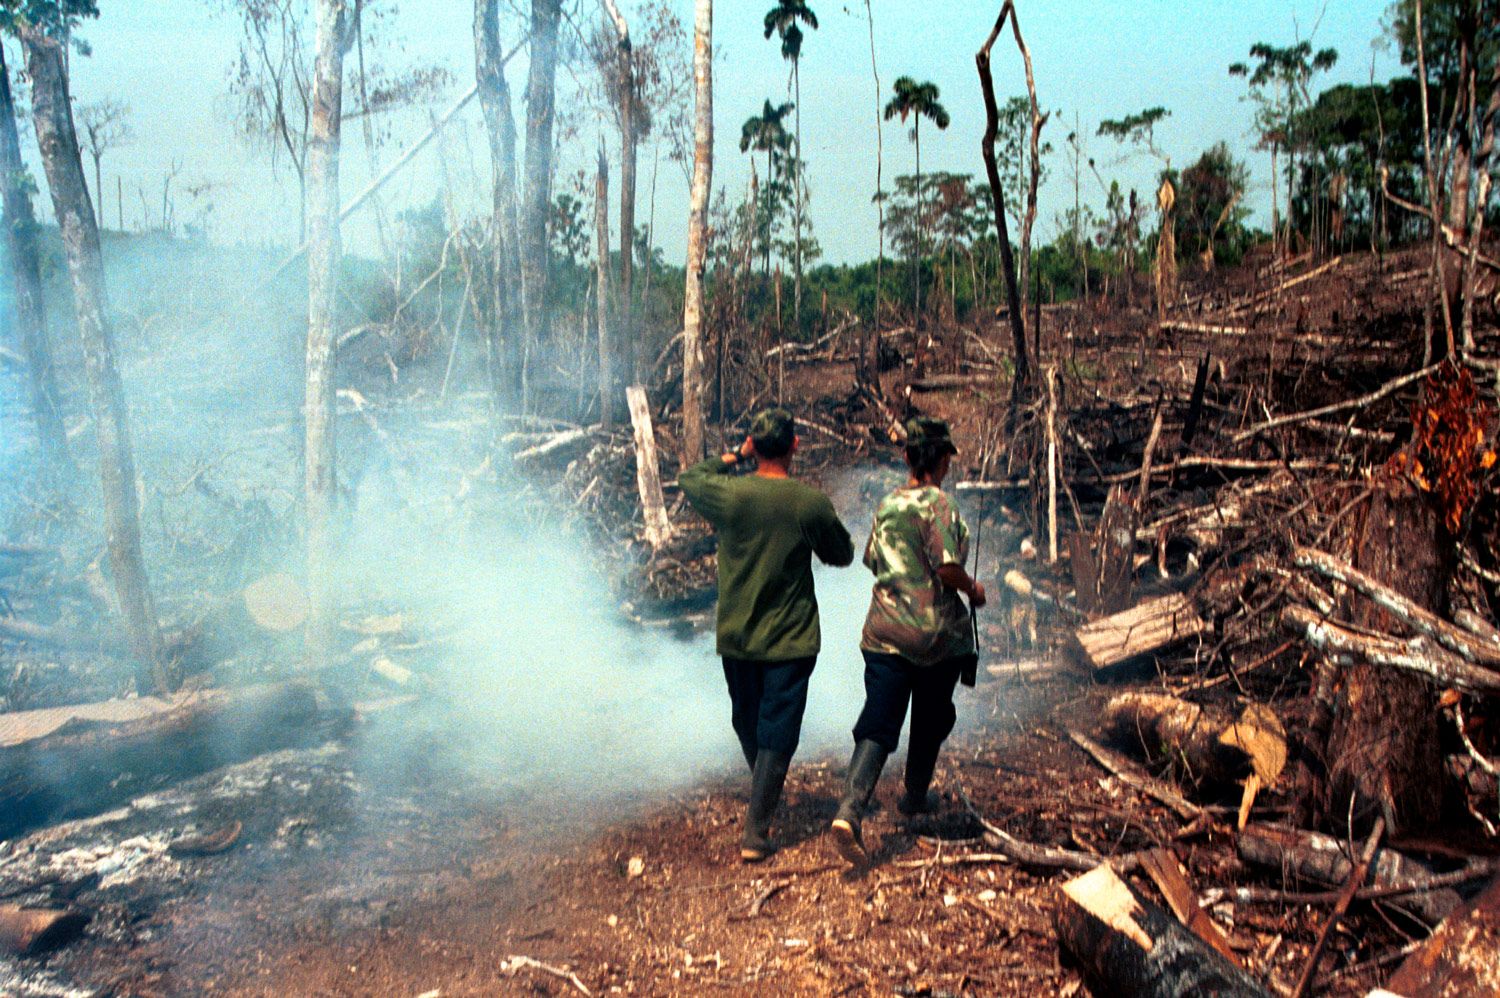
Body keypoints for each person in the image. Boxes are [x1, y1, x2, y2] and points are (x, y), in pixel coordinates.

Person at [680, 408, 855, 862]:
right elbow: (842, 554)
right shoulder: (808, 503)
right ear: (795, 444)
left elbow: (691, 478)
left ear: (754, 446)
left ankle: (759, 816)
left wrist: (735, 457)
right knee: (775, 730)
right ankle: (758, 822)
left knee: (748, 721)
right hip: (789, 640)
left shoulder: (729, 494)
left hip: (738, 636)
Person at [831, 416, 987, 865]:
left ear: (906, 457)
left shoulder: (887, 505)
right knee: (931, 717)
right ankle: (915, 796)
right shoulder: (941, 505)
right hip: (935, 638)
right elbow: (948, 568)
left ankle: (850, 810)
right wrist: (973, 589)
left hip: (884, 633)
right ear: (942, 461)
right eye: (947, 459)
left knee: (879, 720)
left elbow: (873, 561)